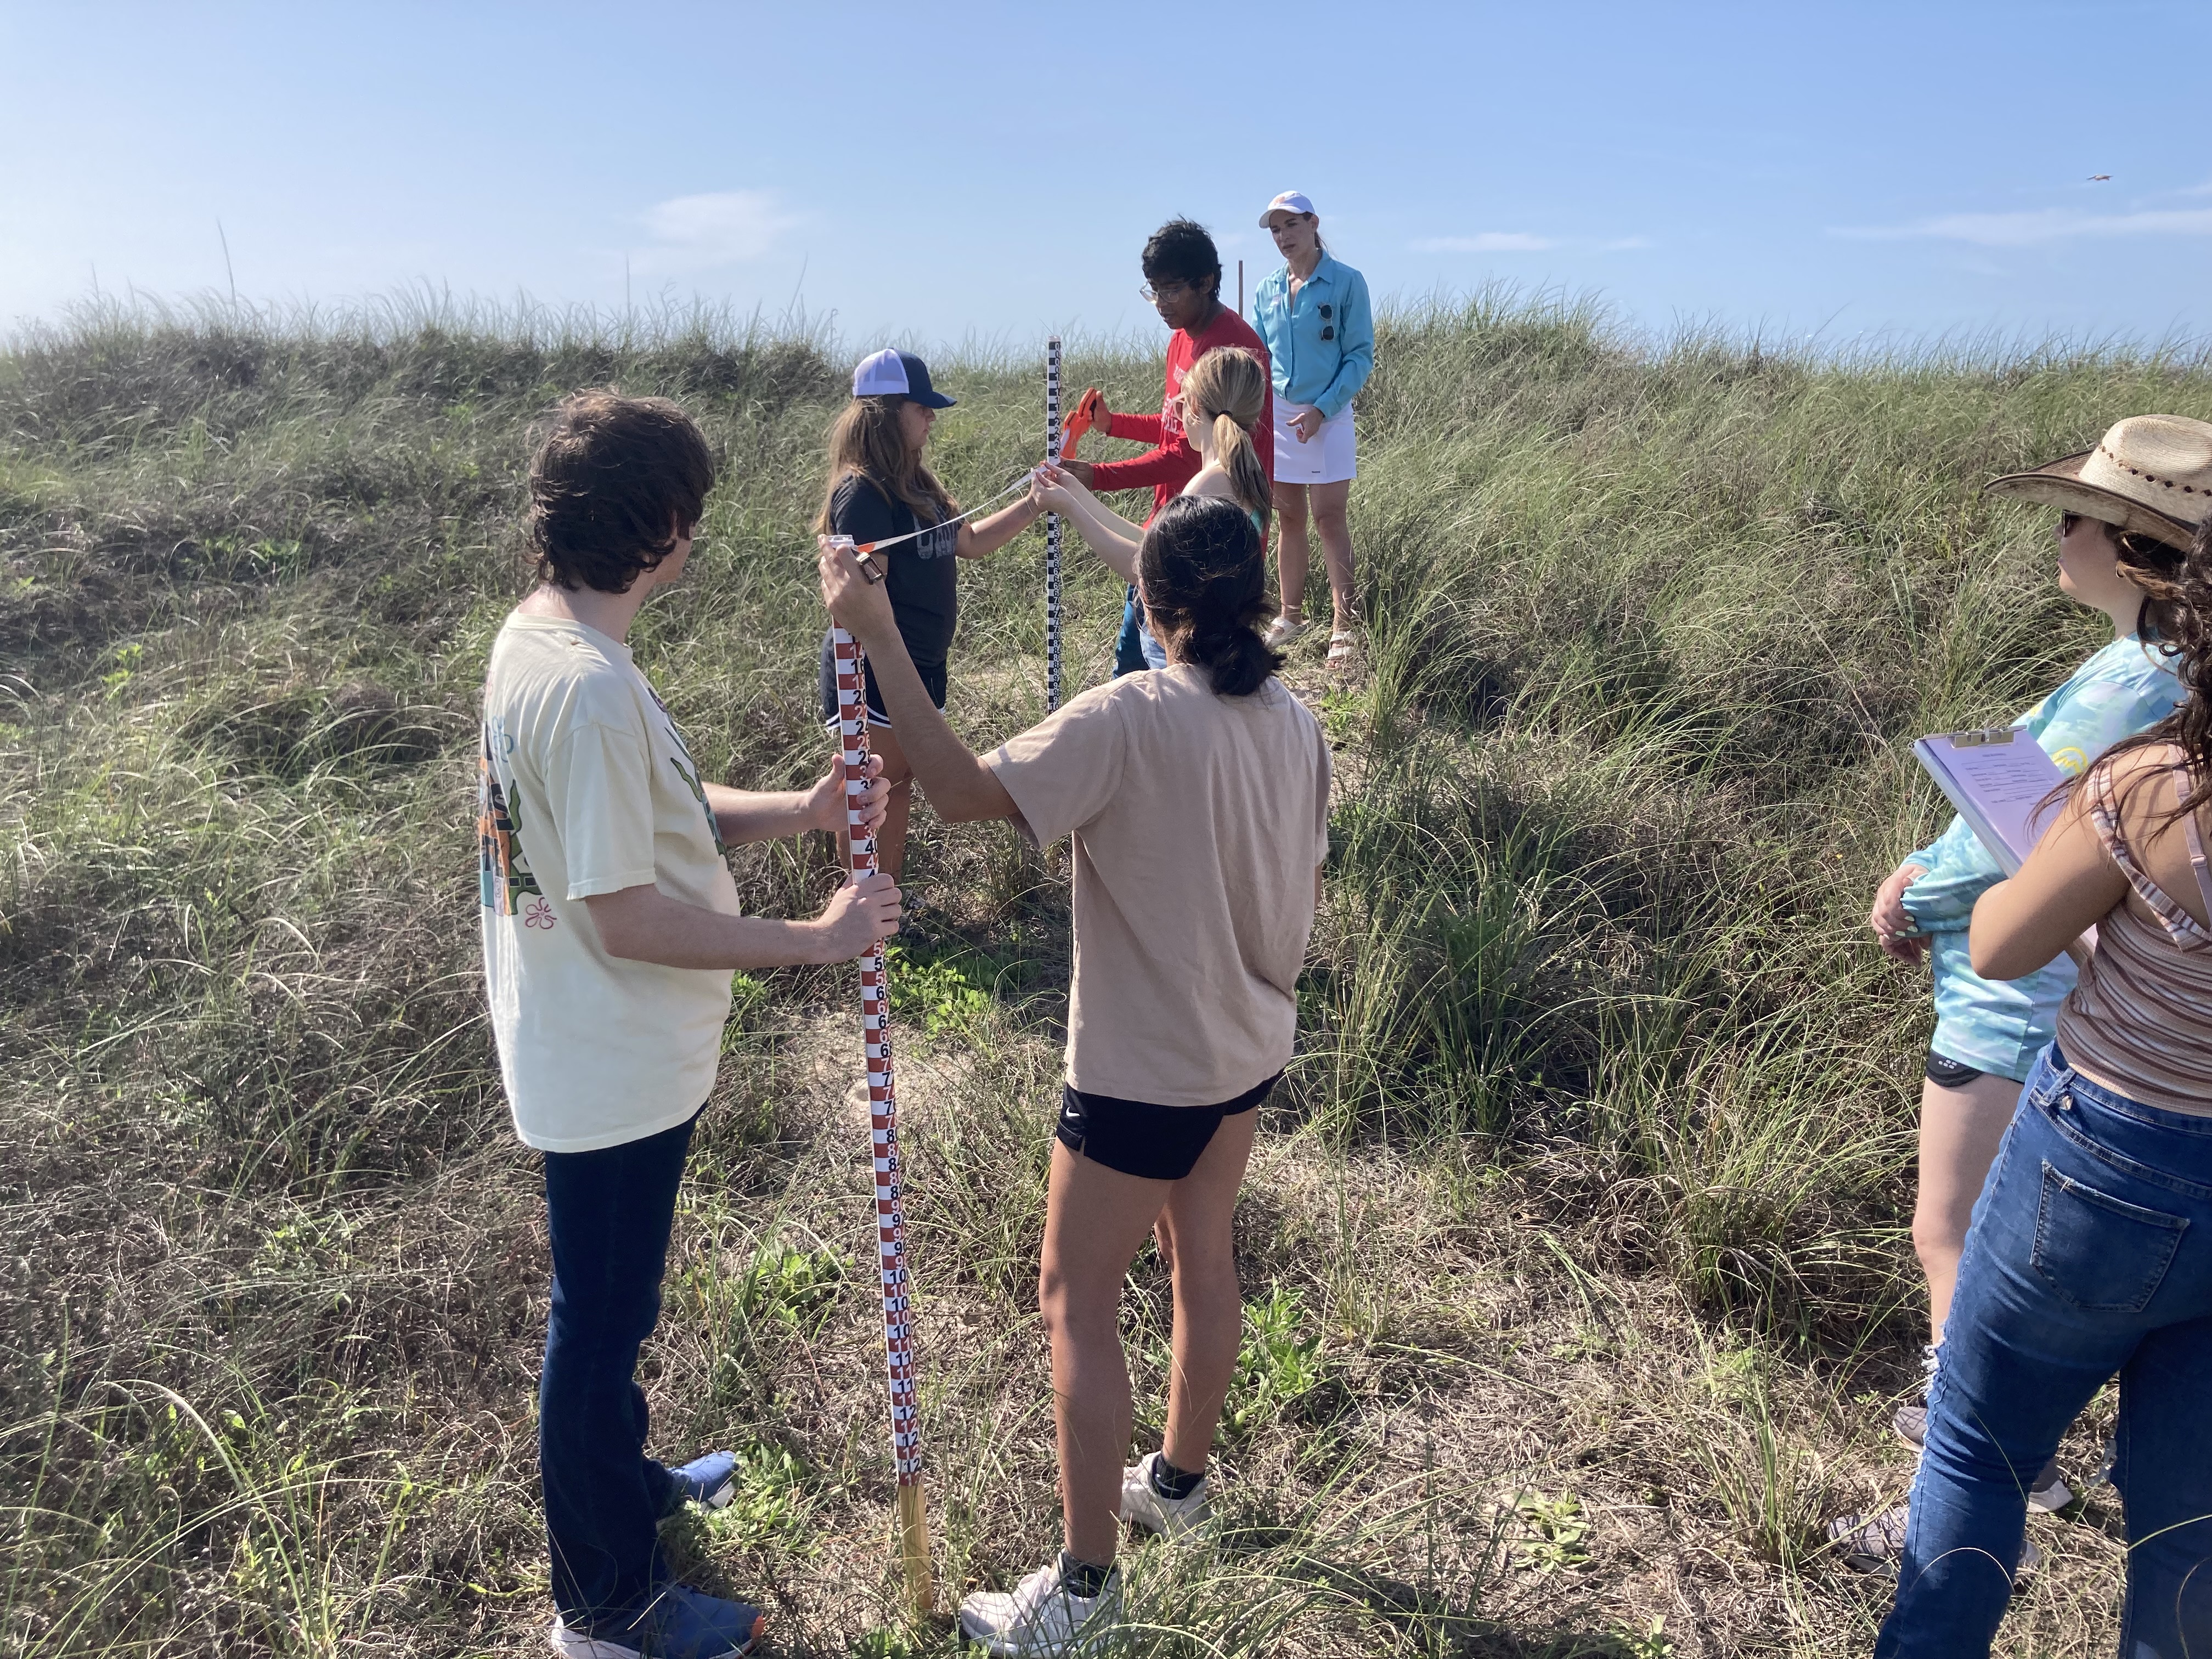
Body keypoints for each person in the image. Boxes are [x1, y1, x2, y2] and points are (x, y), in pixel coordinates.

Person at [818, 495, 1331, 1656]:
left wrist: (874, 630)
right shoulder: (1297, 722)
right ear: (1250, 598)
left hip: (1143, 1071)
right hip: (1245, 1054)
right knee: (1203, 1253)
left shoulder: (1131, 715)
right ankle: (1181, 1489)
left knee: (1074, 1299)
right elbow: (1301, 889)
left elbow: (953, 793)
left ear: (1153, 604)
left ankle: (1087, 1593)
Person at [481, 392, 899, 1659]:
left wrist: (802, 813)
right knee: (598, 1320)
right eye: (695, 516)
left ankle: (630, 1482)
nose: (697, 537)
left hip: (595, 1049)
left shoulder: (548, 641)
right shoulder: (589, 688)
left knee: (613, 1312)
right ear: (661, 526)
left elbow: (647, 814)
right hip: (606, 1063)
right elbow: (623, 911)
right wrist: (816, 942)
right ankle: (603, 1604)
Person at [1875, 417, 2212, 1657]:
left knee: (1973, 1404)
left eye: (2076, 517)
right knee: (2188, 1512)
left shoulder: (2143, 721)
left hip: (2090, 1095)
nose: (2058, 537)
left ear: (2136, 546)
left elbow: (2017, 907)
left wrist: (1921, 881)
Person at [815, 348, 1046, 878]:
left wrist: (1034, 503)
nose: (932, 417)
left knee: (895, 786)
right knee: (878, 790)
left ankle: (883, 904)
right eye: (922, 407)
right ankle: (869, 913)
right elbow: (858, 595)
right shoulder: (864, 494)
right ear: (886, 411)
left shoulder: (918, 484)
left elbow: (969, 540)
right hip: (877, 673)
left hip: (917, 668)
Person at [1060, 218, 1274, 675]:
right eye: (1153, 290)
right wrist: (1113, 425)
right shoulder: (1180, 338)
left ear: (1208, 282)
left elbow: (1181, 450)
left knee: (1161, 674)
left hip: (1199, 556)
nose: (1160, 304)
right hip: (1167, 526)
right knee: (1138, 663)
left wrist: (1095, 479)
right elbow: (1173, 427)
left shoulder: (1233, 352)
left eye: (1171, 290)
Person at [1248, 191, 1374, 670]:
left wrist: (1323, 408)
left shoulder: (1346, 282)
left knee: (1329, 516)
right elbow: (1258, 357)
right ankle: (1291, 616)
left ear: (1312, 223)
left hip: (1330, 411)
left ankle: (1345, 626)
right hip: (1278, 415)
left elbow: (1360, 354)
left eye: (1289, 226)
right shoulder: (1267, 290)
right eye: (1275, 230)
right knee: (1288, 516)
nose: (1282, 237)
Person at [1030, 345, 1272, 582]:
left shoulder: (1206, 487)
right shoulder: (1246, 473)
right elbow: (1151, 541)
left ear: (1195, 407)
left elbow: (1146, 569)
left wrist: (1070, 509)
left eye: (1180, 405)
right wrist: (1076, 495)